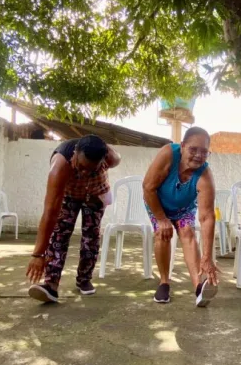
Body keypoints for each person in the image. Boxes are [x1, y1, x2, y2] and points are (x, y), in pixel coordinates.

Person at [26, 135, 121, 303]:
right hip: (69, 195)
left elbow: (116, 159)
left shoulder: (110, 157)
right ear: (75, 154)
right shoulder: (60, 164)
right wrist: (37, 254)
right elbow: (50, 211)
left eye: (91, 169)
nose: (84, 172)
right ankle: (51, 284)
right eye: (81, 166)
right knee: (60, 235)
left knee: (90, 238)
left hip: (95, 195)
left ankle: (84, 279)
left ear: (103, 161)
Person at [143, 127, 219, 307]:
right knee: (163, 234)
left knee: (187, 233)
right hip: (157, 202)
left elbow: (207, 216)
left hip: (183, 208)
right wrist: (161, 219)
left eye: (204, 152)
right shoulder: (169, 153)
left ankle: (199, 287)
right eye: (193, 149)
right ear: (183, 146)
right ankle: (164, 282)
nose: (198, 156)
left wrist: (207, 258)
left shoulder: (205, 175)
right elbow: (148, 187)